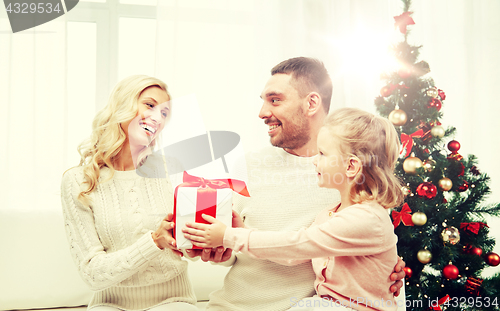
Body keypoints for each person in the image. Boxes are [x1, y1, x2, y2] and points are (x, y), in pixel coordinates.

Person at [183, 57, 405, 311]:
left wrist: (390, 271)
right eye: (264, 101)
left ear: (311, 103)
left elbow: (366, 248)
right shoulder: (248, 165)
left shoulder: (348, 184)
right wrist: (222, 245)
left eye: (275, 100)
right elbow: (236, 248)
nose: (262, 113)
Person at [60, 75, 197, 311]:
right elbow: (92, 273)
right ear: (123, 106)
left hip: (173, 301)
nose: (157, 118)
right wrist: (154, 241)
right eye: (150, 105)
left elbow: (188, 249)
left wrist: (198, 243)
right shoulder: (79, 181)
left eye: (164, 114)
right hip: (109, 303)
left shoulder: (172, 169)